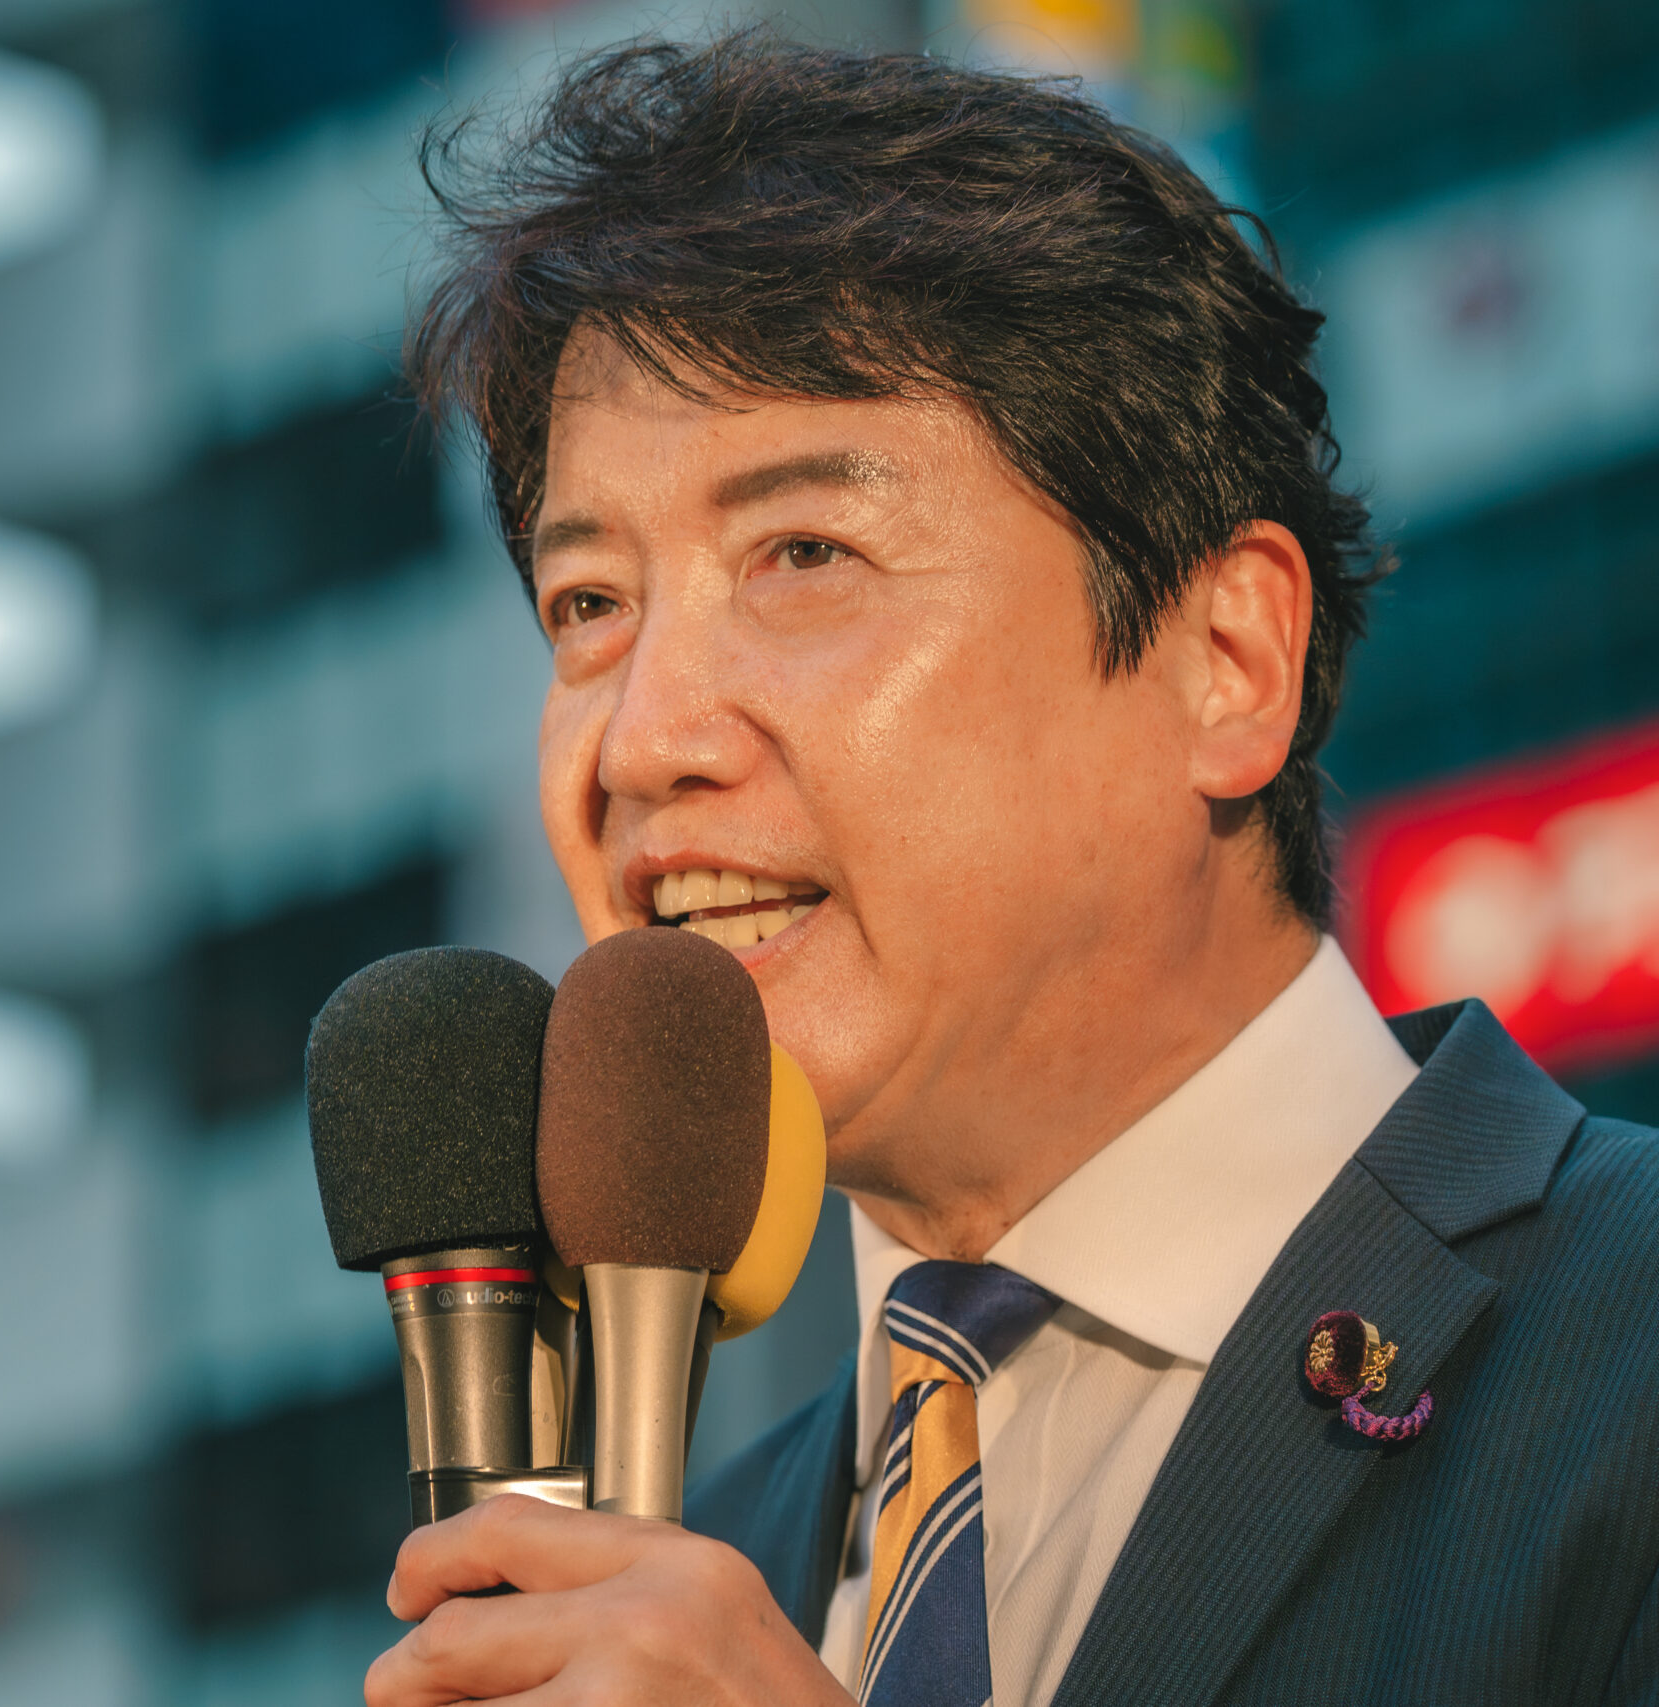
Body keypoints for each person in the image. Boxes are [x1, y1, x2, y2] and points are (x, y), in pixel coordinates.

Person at [367, 32, 1659, 1707]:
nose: (644, 739)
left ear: (1225, 660)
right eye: (591, 606)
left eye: (804, 553)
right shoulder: (690, 1574)